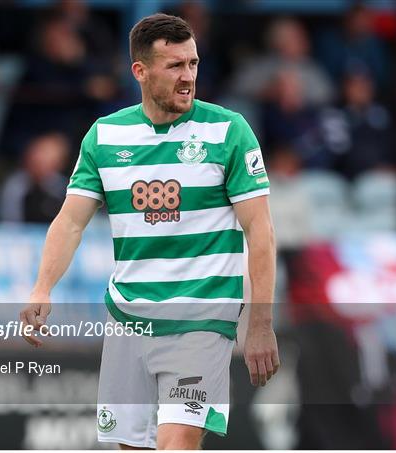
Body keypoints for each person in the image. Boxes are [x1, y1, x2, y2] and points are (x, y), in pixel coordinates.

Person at [20, 13, 279, 450]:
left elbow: (261, 232)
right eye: (175, 66)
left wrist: (260, 324)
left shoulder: (228, 131)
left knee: (175, 443)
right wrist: (42, 288)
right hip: (128, 321)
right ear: (140, 71)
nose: (188, 76)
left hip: (202, 319)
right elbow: (70, 221)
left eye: (193, 64)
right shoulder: (105, 136)